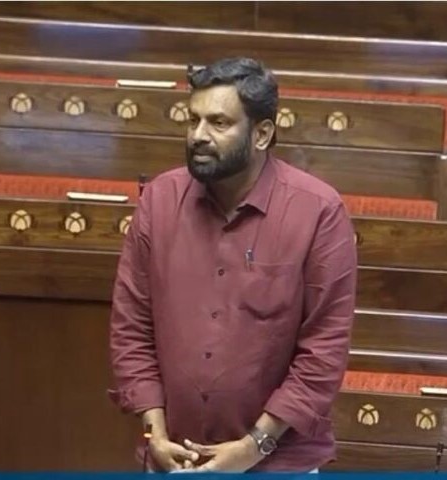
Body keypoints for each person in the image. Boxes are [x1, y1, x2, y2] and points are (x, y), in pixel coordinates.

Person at [108, 57, 358, 473]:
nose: (198, 136)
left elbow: (323, 351)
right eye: (193, 120)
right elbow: (131, 327)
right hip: (173, 460)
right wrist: (155, 434)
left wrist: (254, 447)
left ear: (262, 134)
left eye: (219, 123)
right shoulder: (159, 201)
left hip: (278, 466)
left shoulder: (318, 212)